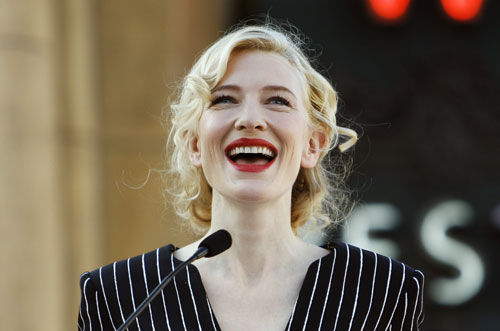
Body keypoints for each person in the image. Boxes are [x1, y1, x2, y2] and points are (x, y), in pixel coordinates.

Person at [78, 23, 424, 331]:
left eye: (277, 101)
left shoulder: (382, 290)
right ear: (194, 143)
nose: (250, 119)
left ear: (313, 145)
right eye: (225, 99)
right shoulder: (119, 296)